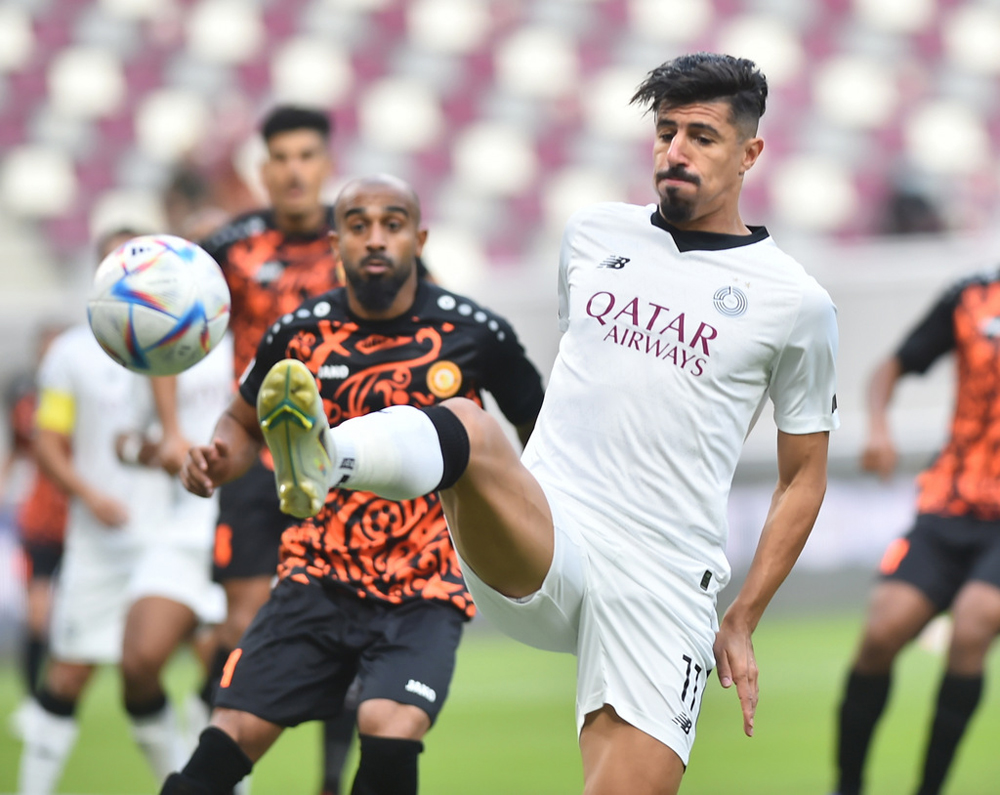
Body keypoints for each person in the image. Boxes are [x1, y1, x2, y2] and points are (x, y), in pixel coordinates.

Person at [223, 53, 839, 795]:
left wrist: (742, 616)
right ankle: (327, 455)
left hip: (664, 576)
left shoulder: (795, 302)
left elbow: (803, 477)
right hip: (549, 533)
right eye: (665, 132)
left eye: (701, 137)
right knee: (470, 425)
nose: (675, 151)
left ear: (749, 153)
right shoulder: (592, 235)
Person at [161, 174, 545, 795]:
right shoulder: (299, 332)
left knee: (389, 727)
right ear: (336, 244)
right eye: (358, 226)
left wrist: (535, 520)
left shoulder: (476, 332)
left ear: (419, 239)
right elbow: (240, 423)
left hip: (424, 583)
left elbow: (540, 432)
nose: (376, 239)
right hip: (315, 576)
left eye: (392, 224)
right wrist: (216, 458)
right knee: (226, 740)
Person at [16, 229, 226, 793]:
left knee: (216, 663)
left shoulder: (191, 338)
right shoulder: (70, 353)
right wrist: (90, 494)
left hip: (176, 534)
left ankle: (197, 777)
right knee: (69, 676)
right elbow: (49, 442)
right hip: (101, 542)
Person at [833, 269, 1000, 795]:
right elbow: (890, 367)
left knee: (973, 626)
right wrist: (879, 427)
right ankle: (848, 785)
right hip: (948, 503)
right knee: (881, 633)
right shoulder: (972, 297)